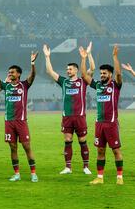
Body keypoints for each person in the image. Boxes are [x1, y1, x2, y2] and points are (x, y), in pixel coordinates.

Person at [0, 51, 39, 182]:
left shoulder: (24, 85)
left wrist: (32, 63)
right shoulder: (6, 86)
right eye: (9, 72)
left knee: (27, 147)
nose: (10, 74)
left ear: (18, 74)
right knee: (13, 147)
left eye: (12, 72)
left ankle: (33, 173)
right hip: (9, 122)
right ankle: (17, 174)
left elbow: (33, 75)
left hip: (21, 121)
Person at [43, 42, 95, 175]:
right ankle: (68, 167)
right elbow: (50, 71)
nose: (67, 71)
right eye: (67, 69)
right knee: (67, 140)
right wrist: (47, 56)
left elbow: (92, 68)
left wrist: (88, 55)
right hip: (67, 117)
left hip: (80, 116)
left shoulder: (83, 81)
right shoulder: (64, 82)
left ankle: (86, 167)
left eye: (70, 69)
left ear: (76, 70)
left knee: (82, 141)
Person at [81, 45, 124, 185]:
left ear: (110, 74)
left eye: (105, 73)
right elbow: (84, 76)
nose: (102, 75)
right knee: (100, 150)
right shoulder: (98, 85)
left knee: (116, 150)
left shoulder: (115, 85)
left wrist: (115, 57)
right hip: (99, 123)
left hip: (111, 124)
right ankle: (99, 178)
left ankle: (119, 178)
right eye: (101, 73)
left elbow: (118, 74)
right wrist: (83, 58)